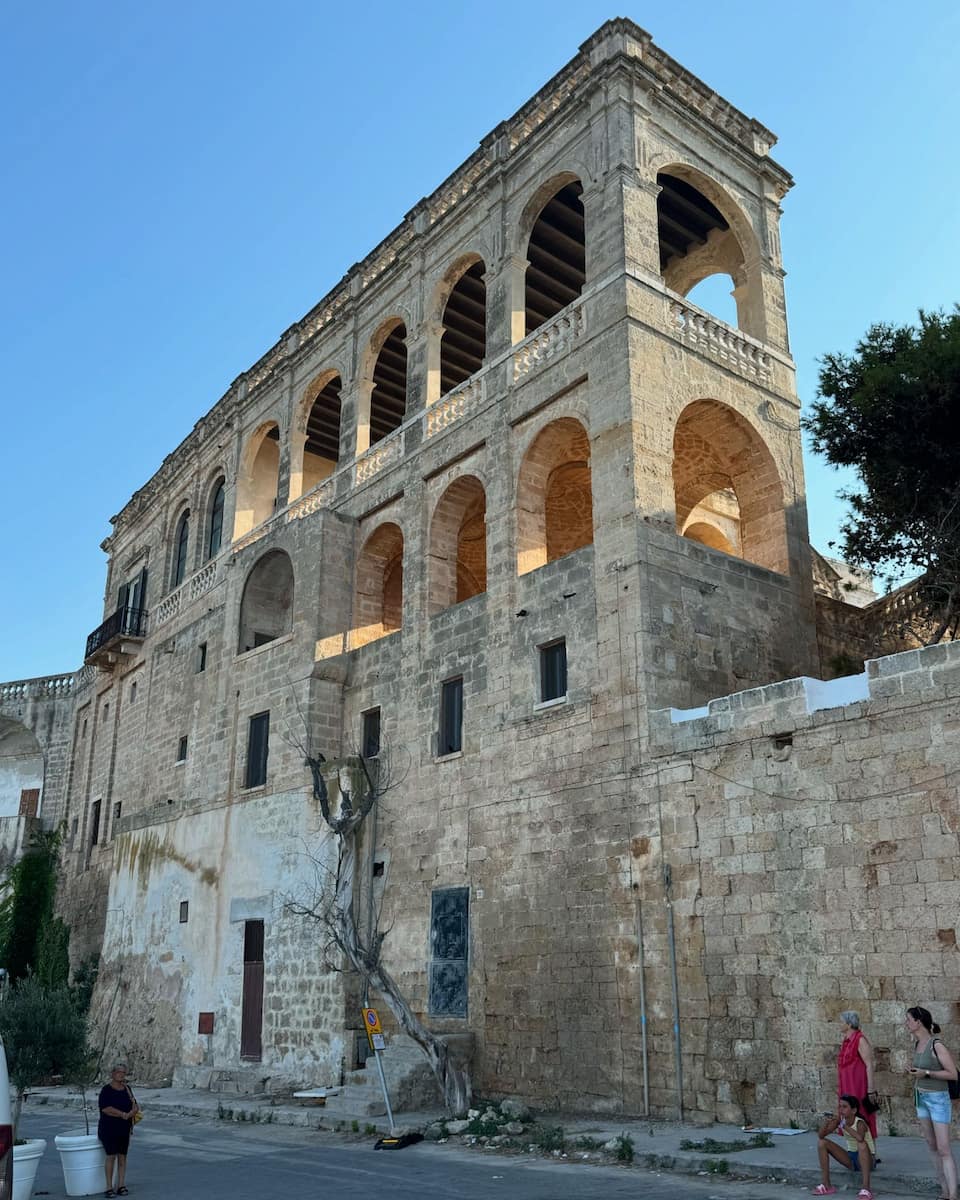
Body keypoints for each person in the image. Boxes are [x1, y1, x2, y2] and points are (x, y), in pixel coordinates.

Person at [906, 1006, 959, 1200]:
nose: (907, 1023)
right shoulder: (918, 1044)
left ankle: (953, 1194)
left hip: (937, 1099)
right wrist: (914, 1071)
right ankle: (944, 1191)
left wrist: (927, 1073)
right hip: (921, 1098)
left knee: (944, 1147)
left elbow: (952, 1073)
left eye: (909, 1020)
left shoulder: (936, 1044)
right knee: (931, 1144)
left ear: (918, 1022)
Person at [811, 1093, 875, 1199]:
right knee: (822, 1143)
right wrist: (826, 1123)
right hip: (851, 1158)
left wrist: (844, 1125)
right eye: (840, 1106)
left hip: (867, 1160)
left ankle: (866, 1188)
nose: (841, 1109)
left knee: (862, 1145)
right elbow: (821, 1135)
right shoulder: (840, 1120)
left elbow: (860, 1138)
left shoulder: (860, 1123)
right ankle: (826, 1185)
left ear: (854, 1111)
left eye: (844, 1107)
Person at [98, 1062, 140, 1197]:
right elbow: (106, 1108)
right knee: (111, 1156)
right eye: (118, 1072)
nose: (121, 1074)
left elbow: (135, 1105)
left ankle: (121, 1185)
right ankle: (109, 1187)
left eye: (123, 1072)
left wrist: (132, 1113)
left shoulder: (127, 1088)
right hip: (109, 1128)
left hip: (124, 1128)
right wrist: (123, 1114)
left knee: (123, 1157)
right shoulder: (106, 1090)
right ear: (113, 1074)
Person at [838, 1010, 879, 1145]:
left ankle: (870, 1151)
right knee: (848, 1112)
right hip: (848, 1084)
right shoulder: (846, 1041)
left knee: (861, 1113)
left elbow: (869, 1064)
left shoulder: (860, 1040)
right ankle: (854, 1147)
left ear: (849, 1024)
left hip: (858, 1085)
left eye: (842, 1022)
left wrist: (871, 1089)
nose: (840, 1024)